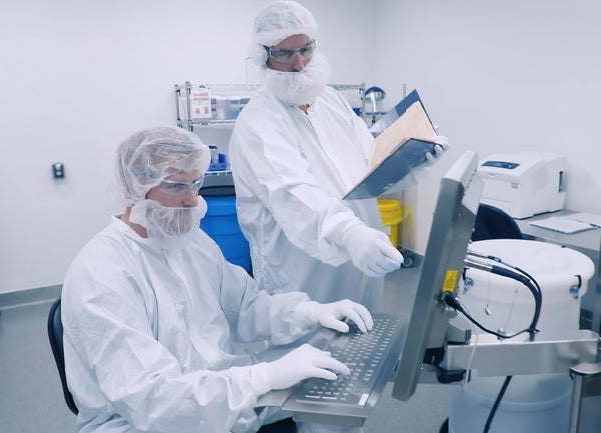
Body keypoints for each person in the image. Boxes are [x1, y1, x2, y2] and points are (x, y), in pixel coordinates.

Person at [60, 125, 375, 433]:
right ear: (134, 189)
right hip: (141, 422)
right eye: (176, 186)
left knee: (324, 393)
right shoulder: (102, 274)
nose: (192, 200)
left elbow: (247, 305)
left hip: (220, 398)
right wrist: (261, 379)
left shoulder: (191, 243)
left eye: (195, 184)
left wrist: (312, 313)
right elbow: (153, 400)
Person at [229, 0, 450, 313]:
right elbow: (293, 193)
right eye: (285, 53)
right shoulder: (260, 122)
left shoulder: (330, 100)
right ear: (263, 57)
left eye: (305, 49)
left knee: (363, 336)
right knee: (308, 347)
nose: (299, 64)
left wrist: (412, 159)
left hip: (359, 249)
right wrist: (349, 232)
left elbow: (369, 162)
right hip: (302, 268)